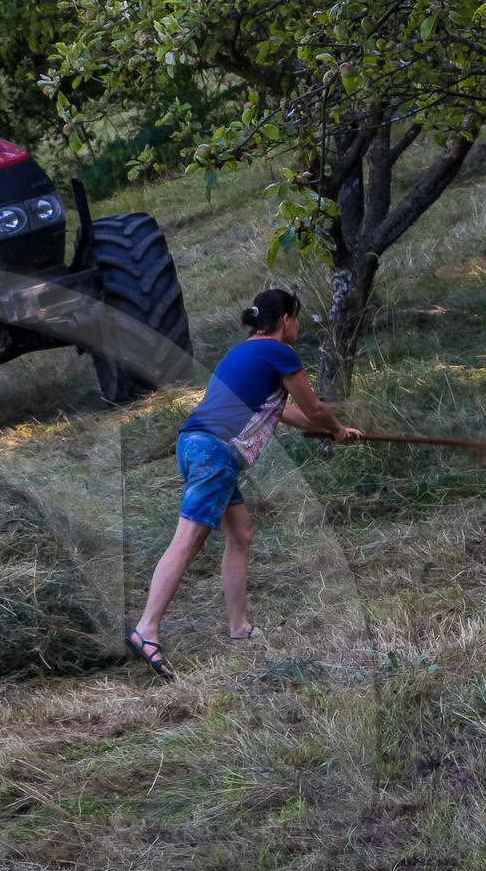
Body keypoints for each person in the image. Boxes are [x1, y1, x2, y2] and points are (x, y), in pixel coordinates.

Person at [126, 287, 360, 677]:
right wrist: (333, 428)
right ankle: (146, 630)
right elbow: (314, 407)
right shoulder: (280, 353)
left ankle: (240, 628)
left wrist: (333, 431)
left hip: (196, 445)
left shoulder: (241, 353)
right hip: (216, 451)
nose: (298, 327)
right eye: (297, 319)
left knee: (242, 534)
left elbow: (283, 414)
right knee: (187, 541)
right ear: (286, 319)